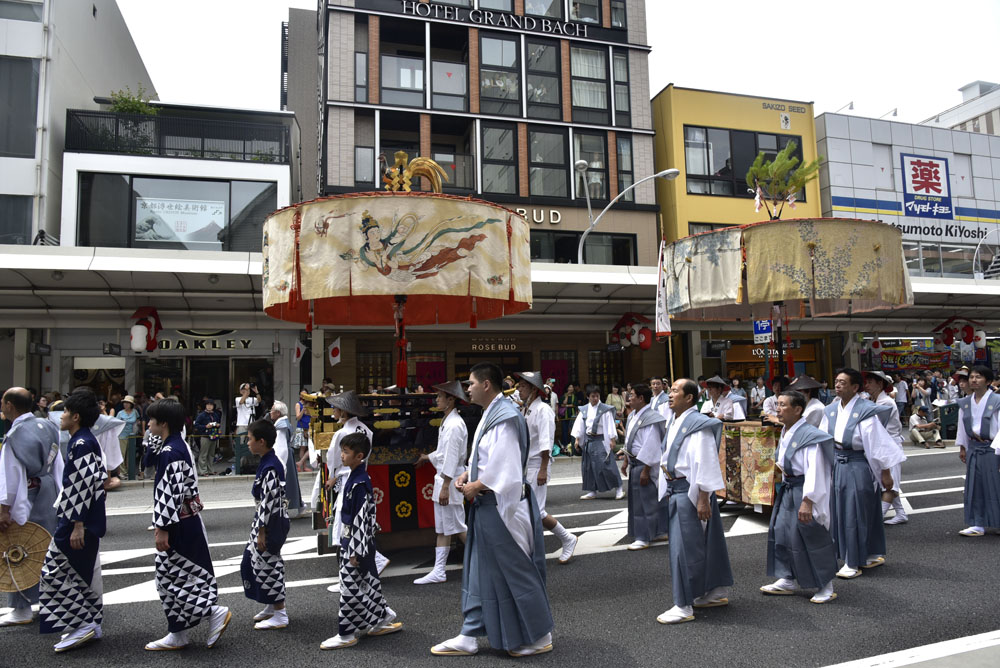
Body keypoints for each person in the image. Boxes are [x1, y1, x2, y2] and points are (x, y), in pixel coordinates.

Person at [431, 363, 553, 657]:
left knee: (516, 571)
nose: (468, 388)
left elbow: (507, 468)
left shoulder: (505, 416)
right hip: (490, 504)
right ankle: (470, 633)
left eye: (471, 383)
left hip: (502, 507)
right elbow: (485, 457)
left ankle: (540, 635)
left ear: (486, 384)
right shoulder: (494, 412)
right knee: (479, 571)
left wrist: (478, 484)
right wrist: (466, 476)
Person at [144, 398, 231, 651]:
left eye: (151, 420)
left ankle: (212, 612)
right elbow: (149, 462)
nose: (148, 423)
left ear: (163, 423)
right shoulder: (175, 446)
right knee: (171, 578)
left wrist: (162, 528)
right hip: (184, 521)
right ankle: (178, 632)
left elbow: (168, 493)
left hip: (178, 524)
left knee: (179, 577)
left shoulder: (173, 451)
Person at [655, 379, 733, 625]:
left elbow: (706, 460)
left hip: (689, 490)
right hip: (678, 487)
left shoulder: (698, 424)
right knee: (706, 543)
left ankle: (683, 604)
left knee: (684, 550)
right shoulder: (677, 420)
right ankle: (714, 591)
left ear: (689, 398)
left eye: (675, 391)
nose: (669, 394)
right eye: (670, 390)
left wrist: (703, 497)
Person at [38, 388, 108, 651]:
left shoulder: (81, 443)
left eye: (66, 411)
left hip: (76, 521)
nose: (62, 415)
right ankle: (90, 622)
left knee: (54, 572)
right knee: (83, 574)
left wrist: (77, 525)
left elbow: (82, 486)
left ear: (76, 416)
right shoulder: (85, 440)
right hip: (82, 518)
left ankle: (82, 625)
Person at [819, 369, 905, 579]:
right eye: (836, 381)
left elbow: (877, 443)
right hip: (838, 464)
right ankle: (866, 553)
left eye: (842, 382)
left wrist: (885, 473)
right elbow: (822, 438)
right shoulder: (831, 410)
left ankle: (853, 560)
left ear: (855, 387)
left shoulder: (866, 410)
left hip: (857, 464)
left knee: (855, 513)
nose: (837, 385)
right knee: (842, 511)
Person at [320, 433, 402, 649]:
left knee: (349, 588)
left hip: (355, 543)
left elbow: (362, 519)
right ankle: (381, 616)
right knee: (367, 583)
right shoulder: (354, 477)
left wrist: (354, 550)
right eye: (343, 450)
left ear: (360, 456)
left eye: (346, 452)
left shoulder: (359, 483)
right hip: (357, 541)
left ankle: (346, 633)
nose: (342, 455)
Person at [760, 391, 838, 604]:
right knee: (782, 533)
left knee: (810, 534)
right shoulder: (786, 430)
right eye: (777, 404)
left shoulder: (810, 435)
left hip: (804, 489)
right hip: (789, 487)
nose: (778, 409)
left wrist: (808, 500)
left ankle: (825, 584)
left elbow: (816, 470)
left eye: (783, 405)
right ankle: (787, 577)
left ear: (797, 409)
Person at [0, 387, 62, 628]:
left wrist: (4, 509)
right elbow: (59, 464)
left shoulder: (15, 435)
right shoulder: (48, 426)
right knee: (46, 547)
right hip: (49, 491)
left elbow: (10, 476)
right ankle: (50, 602)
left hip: (26, 495)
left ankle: (21, 608)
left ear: (10, 406)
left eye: (3, 403)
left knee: (18, 550)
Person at [323, 391, 388, 593]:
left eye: (335, 407)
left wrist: (332, 476)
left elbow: (333, 460)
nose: (333, 410)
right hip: (361, 474)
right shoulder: (366, 430)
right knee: (361, 523)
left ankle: (352, 573)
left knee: (346, 526)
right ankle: (367, 563)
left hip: (346, 479)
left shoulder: (342, 433)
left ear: (343, 410)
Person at [514, 371, 578, 563]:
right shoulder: (526, 409)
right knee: (526, 510)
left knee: (536, 511)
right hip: (527, 466)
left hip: (537, 465)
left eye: (523, 386)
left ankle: (567, 538)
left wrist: (543, 468)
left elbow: (546, 443)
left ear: (534, 389)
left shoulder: (543, 410)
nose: (519, 389)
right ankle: (532, 549)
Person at [413, 381, 469, 584]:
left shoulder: (454, 424)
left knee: (459, 527)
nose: (436, 400)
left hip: (450, 480)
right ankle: (439, 570)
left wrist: (445, 486)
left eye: (440, 397)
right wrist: (427, 457)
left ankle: (485, 562)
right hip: (446, 478)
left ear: (451, 399)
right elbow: (445, 453)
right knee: (444, 528)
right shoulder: (449, 421)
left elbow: (452, 458)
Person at [241, 419, 291, 630]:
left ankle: (280, 612)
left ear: (261, 441)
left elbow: (268, 503)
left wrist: (262, 531)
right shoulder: (267, 460)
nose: (248, 442)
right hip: (266, 520)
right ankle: (271, 605)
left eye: (250, 439)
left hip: (269, 523)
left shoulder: (271, 466)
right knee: (253, 562)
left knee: (268, 565)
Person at [620, 382, 669, 551]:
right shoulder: (632, 415)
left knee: (644, 503)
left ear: (641, 398)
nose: (629, 398)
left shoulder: (651, 417)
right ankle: (657, 530)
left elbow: (652, 446)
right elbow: (629, 441)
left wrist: (646, 470)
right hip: (635, 462)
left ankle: (644, 536)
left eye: (632, 395)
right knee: (645, 501)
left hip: (644, 464)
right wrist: (626, 461)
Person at [959, 366, 1000, 537]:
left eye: (979, 377)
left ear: (989, 381)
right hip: (974, 447)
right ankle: (977, 523)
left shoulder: (997, 401)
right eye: (972, 377)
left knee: (995, 486)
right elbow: (962, 427)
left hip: (992, 447)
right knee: (974, 486)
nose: (974, 380)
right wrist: (963, 447)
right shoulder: (965, 402)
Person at [864, 371, 907, 526]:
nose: (866, 385)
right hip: (883, 445)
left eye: (869, 382)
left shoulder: (885, 403)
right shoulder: (875, 401)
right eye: (866, 382)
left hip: (889, 446)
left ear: (880, 384)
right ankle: (901, 513)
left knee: (889, 486)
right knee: (890, 483)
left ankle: (876, 520)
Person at [572, 384, 623, 500]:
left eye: (597, 396)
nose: (595, 398)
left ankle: (619, 488)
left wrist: (612, 439)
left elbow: (610, 425)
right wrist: (577, 439)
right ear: (588, 397)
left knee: (606, 465)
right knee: (588, 467)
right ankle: (592, 490)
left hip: (601, 440)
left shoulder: (604, 409)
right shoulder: (584, 410)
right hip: (589, 440)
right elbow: (579, 426)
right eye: (593, 396)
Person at [270, 401, 305, 518]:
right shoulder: (283, 423)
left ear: (278, 413)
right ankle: (298, 506)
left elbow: (280, 448)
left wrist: (278, 463)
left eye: (272, 410)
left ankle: (281, 509)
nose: (270, 412)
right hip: (287, 456)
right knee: (291, 482)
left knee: (285, 484)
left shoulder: (281, 426)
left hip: (283, 457)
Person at [233, 382, 261, 474]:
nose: (247, 391)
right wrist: (245, 392)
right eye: (244, 389)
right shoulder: (238, 399)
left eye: (247, 389)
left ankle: (250, 464)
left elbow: (259, 401)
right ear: (241, 391)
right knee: (241, 444)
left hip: (251, 424)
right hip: (241, 424)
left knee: (252, 443)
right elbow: (241, 402)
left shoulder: (252, 399)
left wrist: (256, 392)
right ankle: (240, 464)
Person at [193, 400, 222, 476]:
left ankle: (210, 470)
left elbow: (219, 423)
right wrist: (205, 426)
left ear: (213, 406)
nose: (209, 406)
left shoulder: (215, 414)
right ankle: (203, 471)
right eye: (208, 405)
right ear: (205, 406)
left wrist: (218, 425)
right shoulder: (201, 415)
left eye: (211, 405)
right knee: (204, 454)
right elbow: (196, 425)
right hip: (205, 436)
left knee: (211, 454)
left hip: (214, 435)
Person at [117, 396, 140, 478]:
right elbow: (116, 423)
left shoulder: (135, 412)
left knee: (131, 454)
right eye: (124, 403)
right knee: (122, 454)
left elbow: (138, 421)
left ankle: (130, 471)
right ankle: (122, 472)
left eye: (127, 403)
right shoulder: (120, 413)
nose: (125, 404)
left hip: (132, 436)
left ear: (131, 404)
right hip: (122, 435)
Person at [295, 391, 314, 472]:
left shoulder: (310, 403)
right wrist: (303, 410)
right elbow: (298, 417)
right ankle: (303, 466)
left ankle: (302, 464)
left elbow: (313, 415)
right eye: (302, 394)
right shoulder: (298, 404)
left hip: (309, 427)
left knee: (310, 447)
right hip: (302, 427)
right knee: (303, 448)